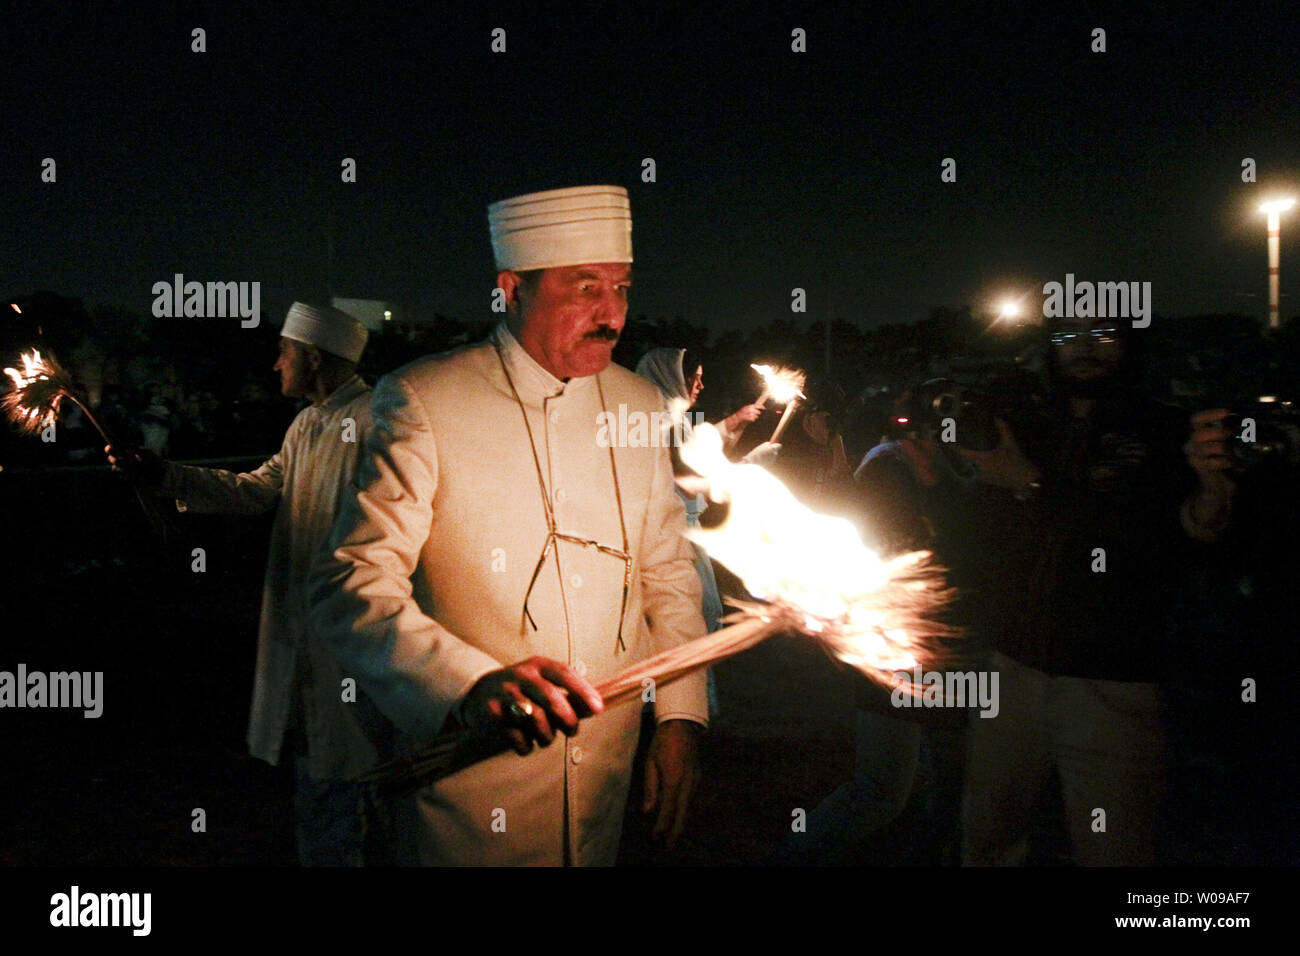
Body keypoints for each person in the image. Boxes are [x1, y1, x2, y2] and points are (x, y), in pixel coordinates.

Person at [309, 185, 709, 866]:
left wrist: (679, 718)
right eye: (585, 288)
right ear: (511, 289)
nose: (611, 313)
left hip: (603, 780)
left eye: (621, 288)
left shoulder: (640, 404)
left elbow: (668, 570)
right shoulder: (426, 398)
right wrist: (467, 687)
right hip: (470, 790)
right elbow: (351, 585)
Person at [107, 302, 385, 866]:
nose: (275, 362)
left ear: (311, 357)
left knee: (351, 771)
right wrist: (165, 475)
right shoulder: (309, 422)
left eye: (284, 351)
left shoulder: (378, 418)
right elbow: (257, 490)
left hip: (352, 629)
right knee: (327, 768)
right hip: (310, 627)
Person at [957, 316, 1210, 866]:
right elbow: (976, 541)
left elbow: (1156, 540)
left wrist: (1031, 484)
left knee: (1115, 851)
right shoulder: (1024, 427)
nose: (1086, 349)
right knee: (988, 838)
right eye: (1070, 337)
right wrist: (944, 484)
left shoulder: (1161, 432)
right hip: (1013, 670)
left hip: (1112, 685)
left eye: (1104, 335)